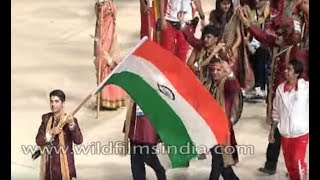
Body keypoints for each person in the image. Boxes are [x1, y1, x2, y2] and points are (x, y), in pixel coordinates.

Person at [237, 9, 308, 175]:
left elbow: (303, 79)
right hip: (278, 98)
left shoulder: (297, 52)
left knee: (292, 137)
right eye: (278, 33)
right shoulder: (277, 45)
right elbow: (261, 35)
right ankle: (272, 164)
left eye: (281, 33)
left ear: (289, 35)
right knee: (276, 132)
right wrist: (245, 21)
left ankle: (294, 166)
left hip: (293, 102)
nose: (277, 35)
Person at [270, 59, 309, 180]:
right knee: (290, 165)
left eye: (289, 69)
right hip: (285, 133)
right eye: (286, 68)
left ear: (297, 74)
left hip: (300, 133)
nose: (285, 71)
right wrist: (272, 130)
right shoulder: (280, 89)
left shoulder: (306, 88)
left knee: (296, 161)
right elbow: (276, 111)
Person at [207, 56, 242, 180]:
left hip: (222, 131)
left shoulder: (226, 84)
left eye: (219, 70)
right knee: (224, 168)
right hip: (212, 129)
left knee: (217, 164)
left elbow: (234, 87)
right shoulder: (211, 84)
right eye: (214, 70)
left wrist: (230, 73)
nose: (215, 73)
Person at [36, 89, 83, 180]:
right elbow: (39, 141)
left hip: (64, 168)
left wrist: (72, 125)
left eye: (56, 101)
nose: (53, 104)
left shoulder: (69, 119)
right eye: (51, 101)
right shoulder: (46, 118)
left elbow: (78, 140)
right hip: (49, 169)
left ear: (63, 104)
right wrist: (50, 132)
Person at [94, 0, 126, 110]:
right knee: (103, 59)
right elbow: (98, 14)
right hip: (102, 32)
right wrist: (99, 6)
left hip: (109, 33)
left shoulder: (110, 3)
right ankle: (103, 98)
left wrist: (104, 7)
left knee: (109, 60)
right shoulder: (102, 3)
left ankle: (112, 98)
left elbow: (111, 13)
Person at [123, 103, 167, 180]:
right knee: (136, 164)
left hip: (149, 128)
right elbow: (129, 109)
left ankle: (160, 171)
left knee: (149, 157)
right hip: (135, 127)